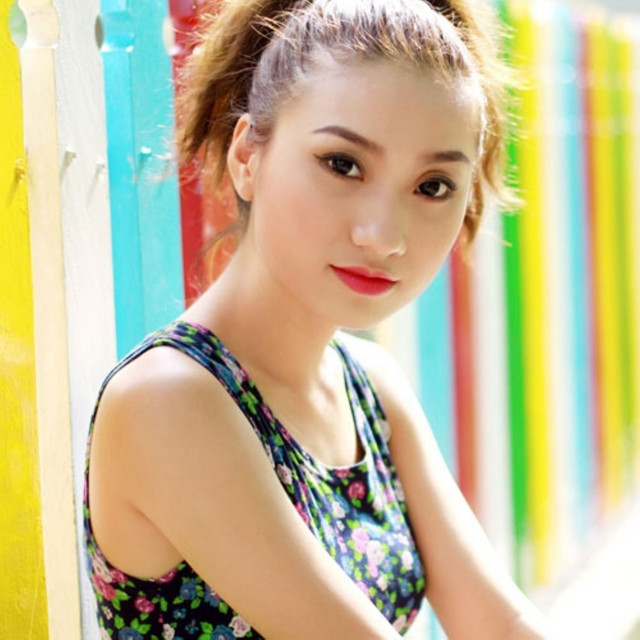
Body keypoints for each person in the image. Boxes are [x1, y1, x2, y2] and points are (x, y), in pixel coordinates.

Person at [84, 0, 551, 638]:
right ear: (247, 157)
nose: (384, 236)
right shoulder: (167, 401)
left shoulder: (371, 388)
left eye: (433, 185)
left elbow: (502, 622)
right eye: (343, 164)